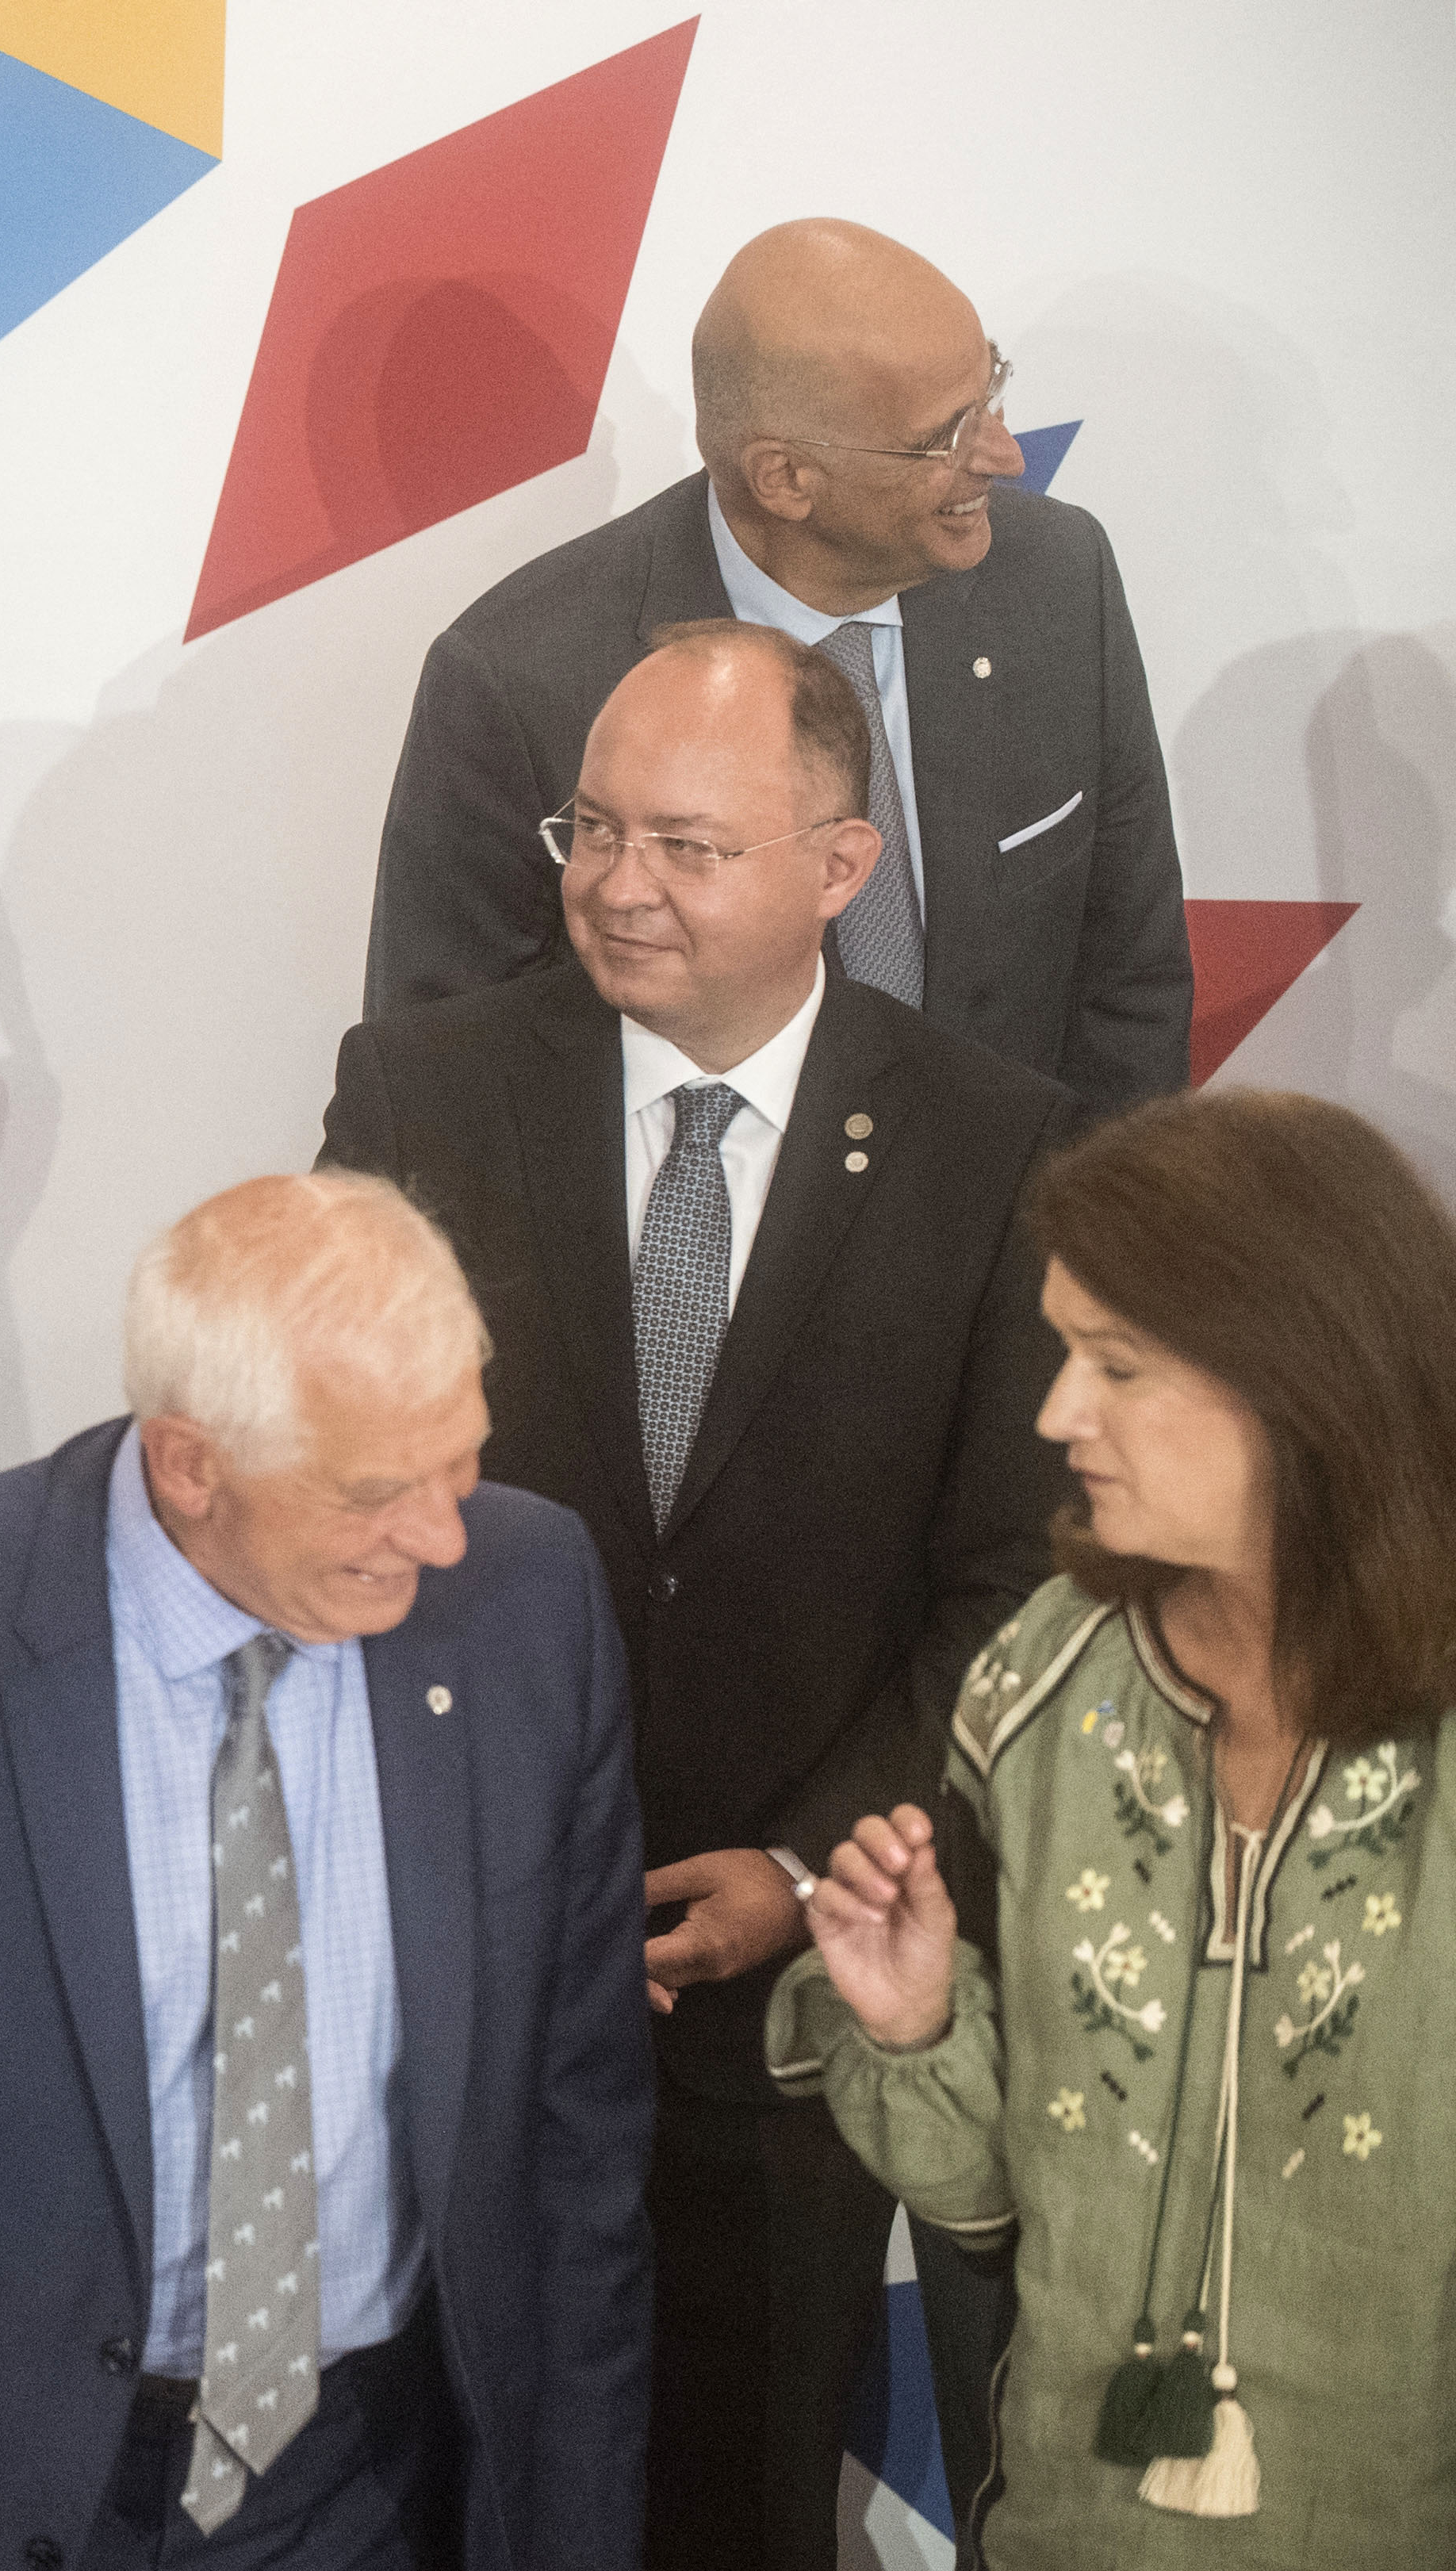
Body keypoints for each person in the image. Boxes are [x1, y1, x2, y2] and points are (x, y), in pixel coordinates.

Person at [323, 621, 1076, 2569]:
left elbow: (1007, 1589)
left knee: (730, 2501)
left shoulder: (996, 1146)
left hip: (784, 2015)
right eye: (590, 827)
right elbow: (323, 1483)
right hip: (454, 1960)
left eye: (684, 844)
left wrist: (801, 1864)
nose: (613, 883)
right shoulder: (414, 1091)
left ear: (840, 865)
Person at [0, 1172, 650, 2569]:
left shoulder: (528, 1603)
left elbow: (579, 2146)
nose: (442, 1535)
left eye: (461, 1460)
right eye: (374, 1491)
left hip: (369, 2487)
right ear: (192, 1465)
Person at [777, 1089, 1456, 2569]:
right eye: (1063, 1348)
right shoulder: (1046, 1670)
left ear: (1306, 1379)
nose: (1054, 1413)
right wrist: (909, 2024)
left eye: (1118, 1366)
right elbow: (989, 2197)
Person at [365, 218, 1187, 1126]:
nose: (1001, 454)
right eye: (946, 435)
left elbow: (1130, 982)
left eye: (990, 391)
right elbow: (444, 1086)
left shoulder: (1057, 583)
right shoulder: (520, 681)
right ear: (786, 479)